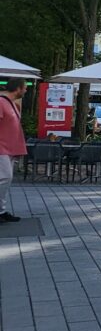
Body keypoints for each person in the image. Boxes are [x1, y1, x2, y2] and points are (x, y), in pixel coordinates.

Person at [0, 79, 29, 223]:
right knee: (5, 177)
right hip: (1, 148)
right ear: (18, 88)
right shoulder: (1, 102)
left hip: (10, 149)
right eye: (24, 88)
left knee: (5, 179)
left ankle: (2, 210)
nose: (26, 90)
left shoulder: (12, 104)